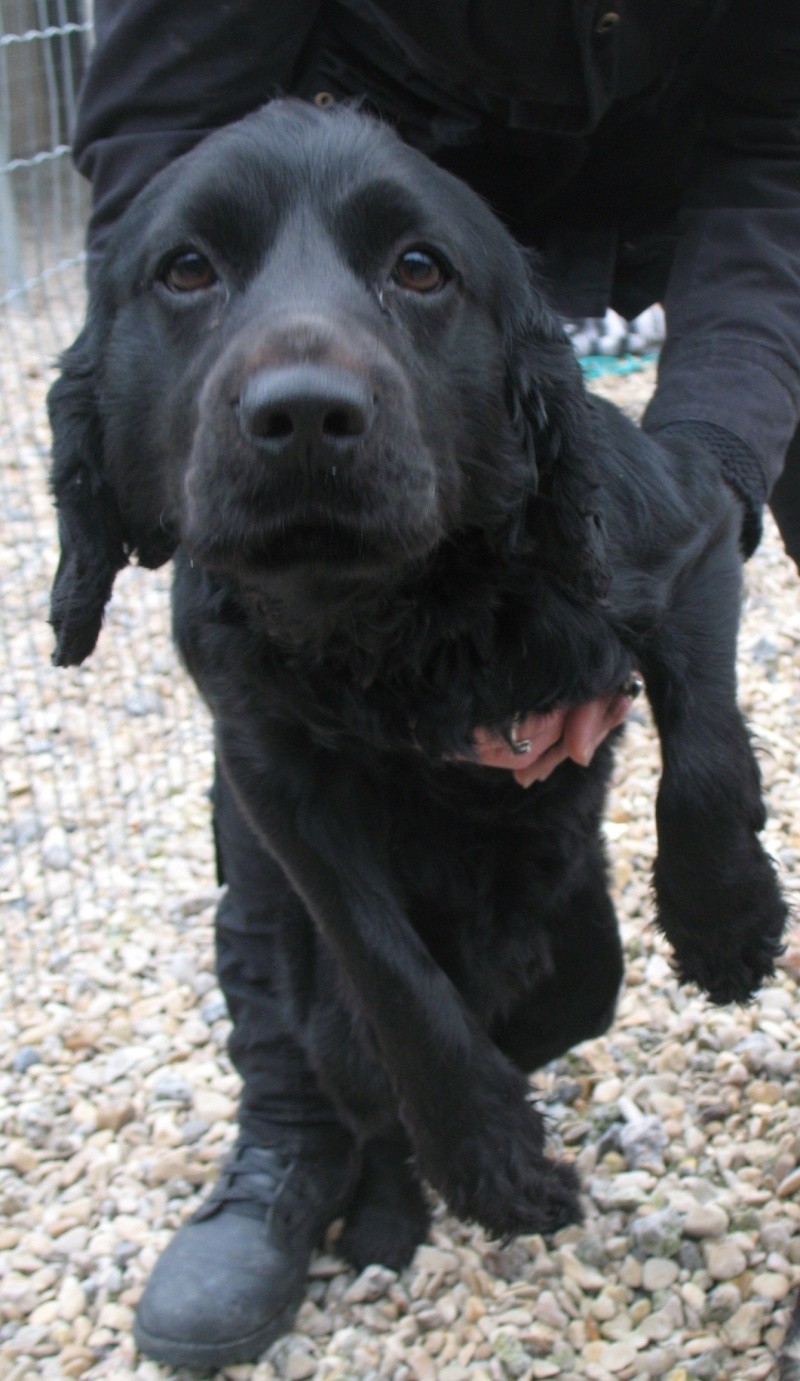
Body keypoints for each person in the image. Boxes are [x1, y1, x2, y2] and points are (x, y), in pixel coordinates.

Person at [70, 2, 800, 1368]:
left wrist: (696, 480)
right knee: (275, 628)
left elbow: (782, 141)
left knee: (719, 478)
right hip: (352, 175)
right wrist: (191, 419)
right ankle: (300, 1124)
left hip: (701, 174)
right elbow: (162, 134)